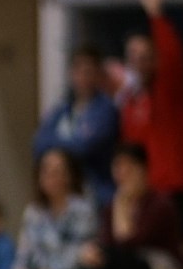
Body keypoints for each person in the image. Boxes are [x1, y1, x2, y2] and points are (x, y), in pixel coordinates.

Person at [120, 0, 183, 210]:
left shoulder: (168, 92)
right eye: (134, 57)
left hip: (170, 187)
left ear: (156, 60)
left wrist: (156, 15)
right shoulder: (130, 102)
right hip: (141, 189)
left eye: (146, 57)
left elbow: (171, 57)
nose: (139, 63)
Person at [35, 46, 120, 202]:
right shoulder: (62, 109)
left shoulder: (106, 110)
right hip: (64, 193)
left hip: (95, 191)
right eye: (78, 70)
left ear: (98, 75)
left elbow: (84, 148)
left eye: (88, 72)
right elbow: (39, 143)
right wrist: (69, 143)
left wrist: (56, 144)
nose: (82, 77)